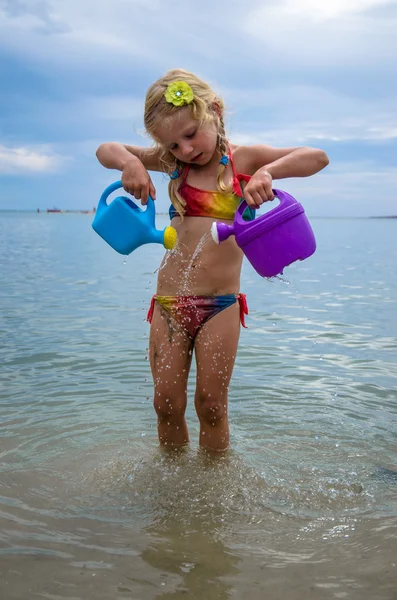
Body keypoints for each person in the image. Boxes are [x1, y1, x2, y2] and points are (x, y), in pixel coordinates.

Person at [96, 68, 329, 453]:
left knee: (212, 406)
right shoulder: (175, 167)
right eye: (172, 145)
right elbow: (104, 150)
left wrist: (267, 172)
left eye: (190, 135)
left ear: (215, 112)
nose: (185, 150)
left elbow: (316, 158)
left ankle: (213, 491)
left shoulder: (243, 161)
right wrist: (129, 163)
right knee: (165, 404)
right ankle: (173, 492)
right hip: (169, 305)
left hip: (220, 305)